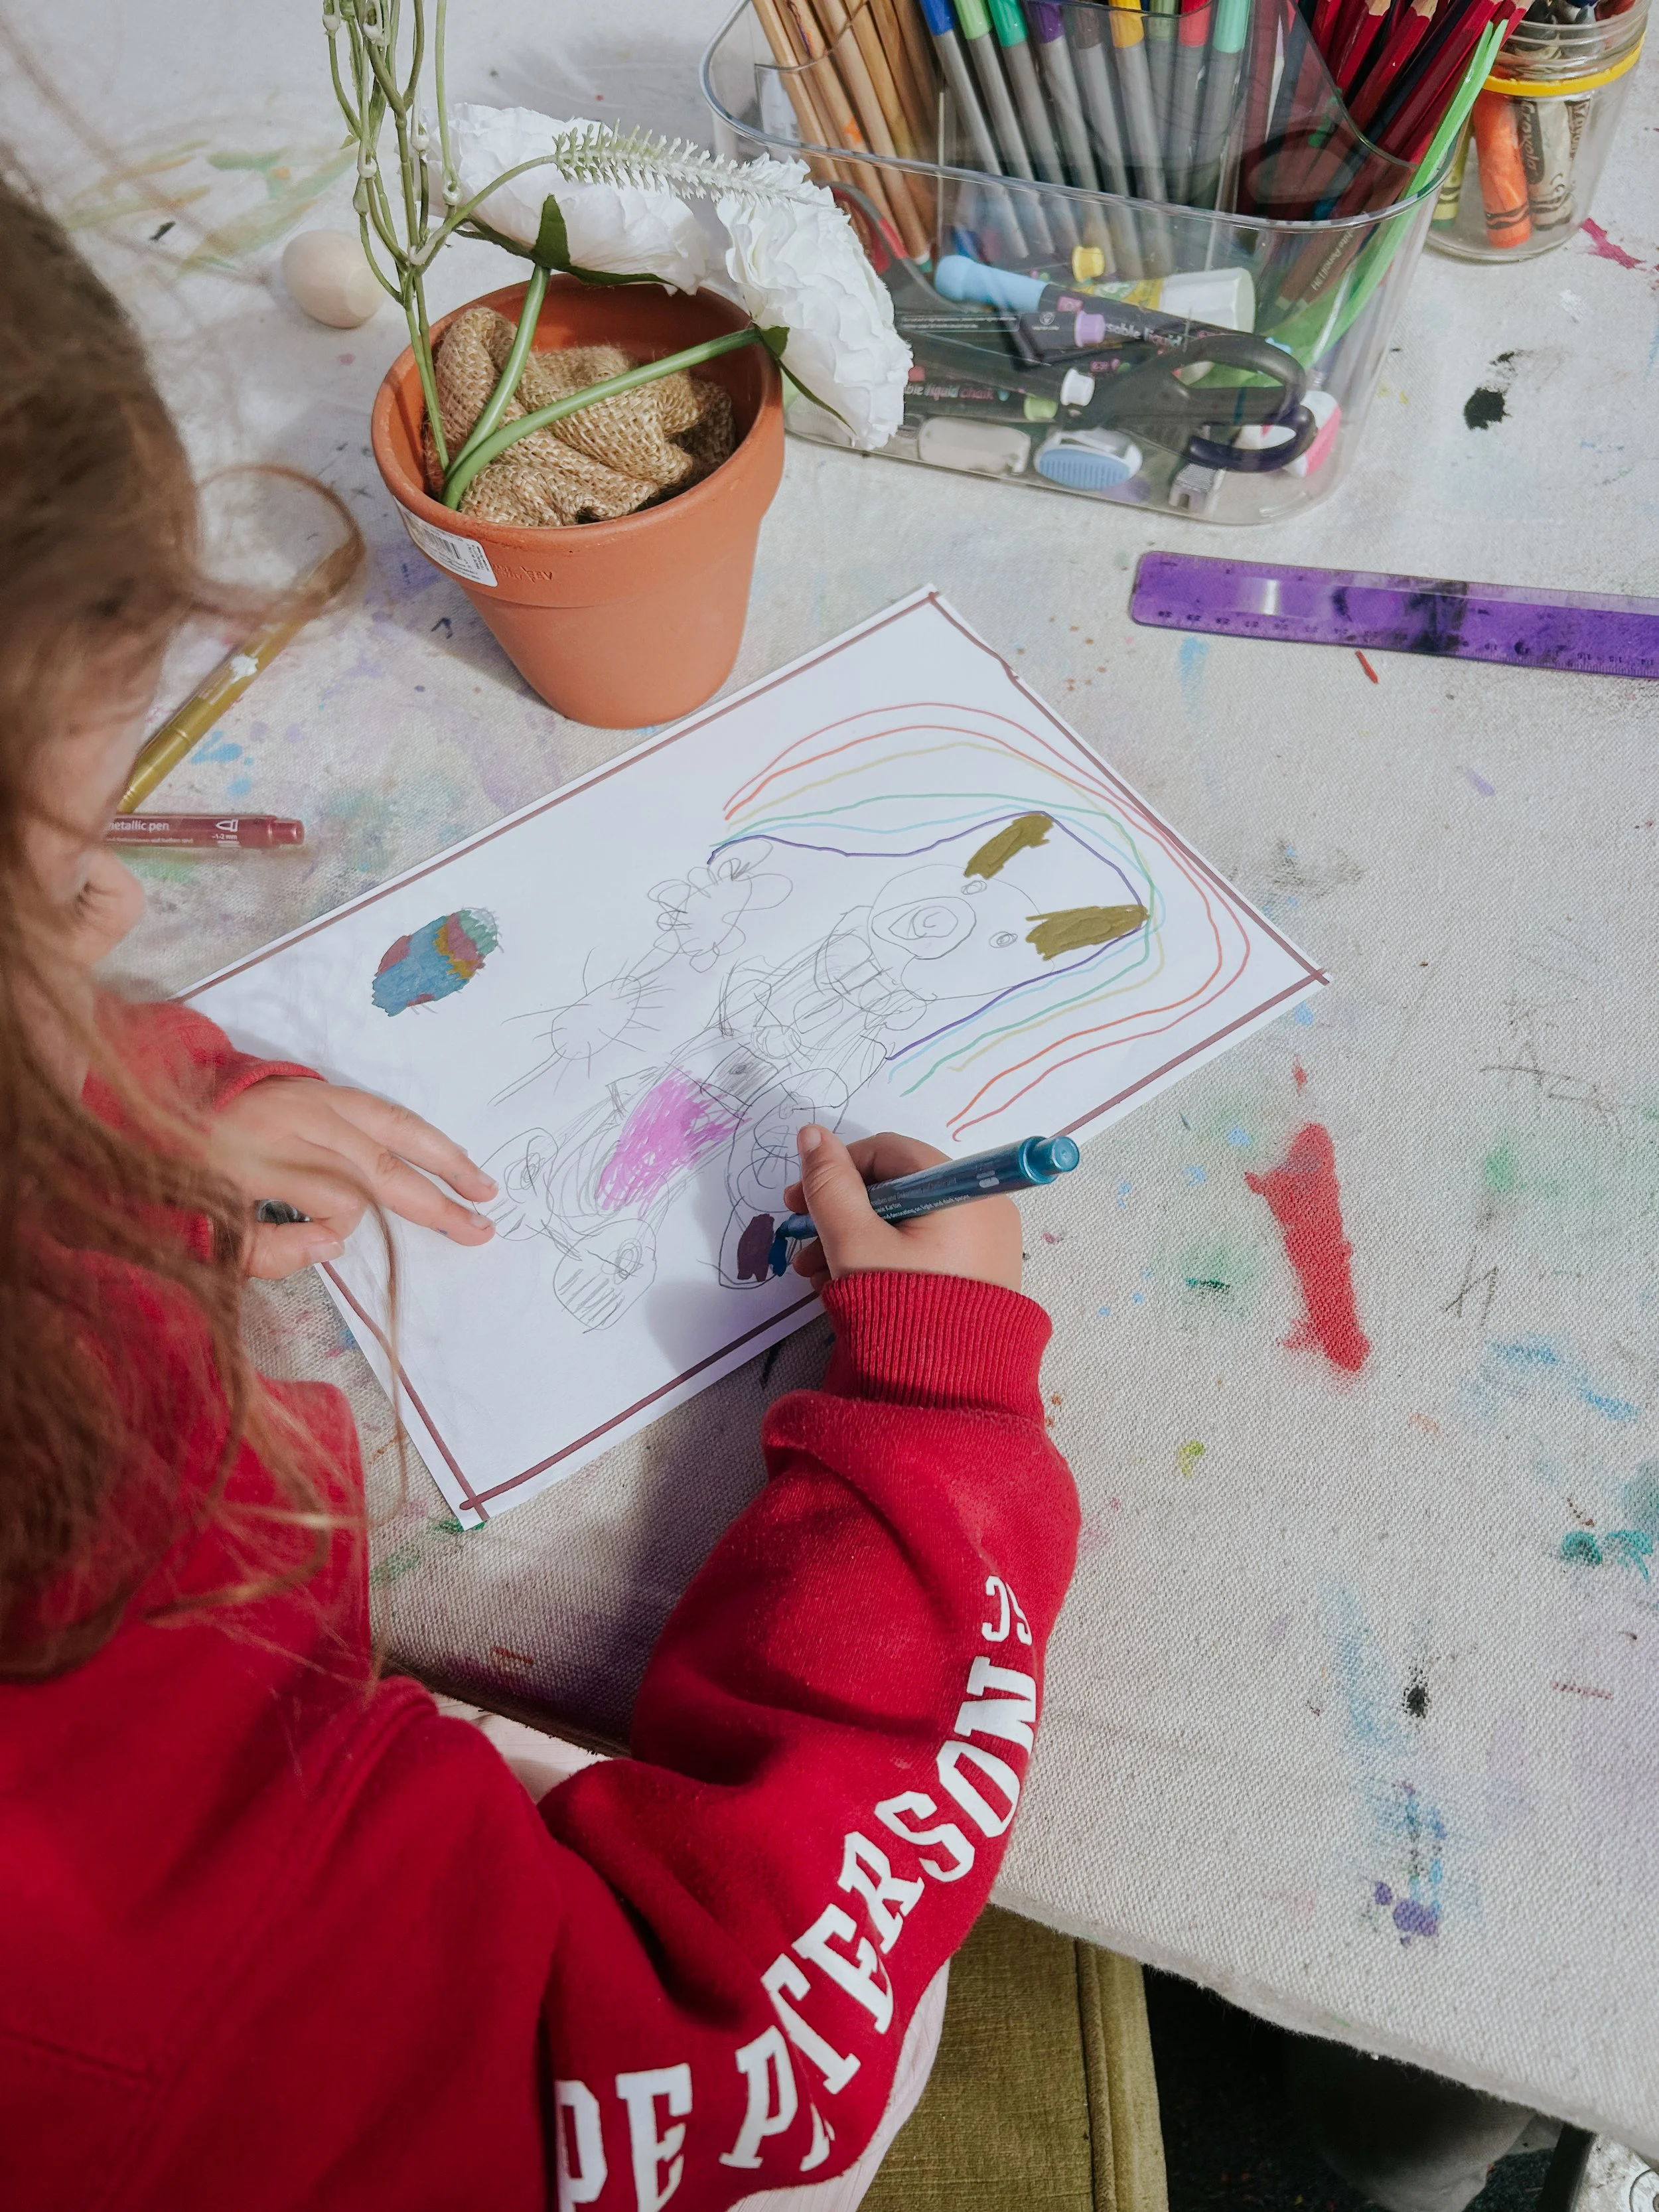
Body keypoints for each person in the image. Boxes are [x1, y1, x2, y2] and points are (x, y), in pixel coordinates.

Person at [0, 169, 1080, 2212]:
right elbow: (725, 2035)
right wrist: (939, 1423)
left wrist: (130, 1110)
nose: (131, 912)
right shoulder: (112, 1957)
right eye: (62, 895)